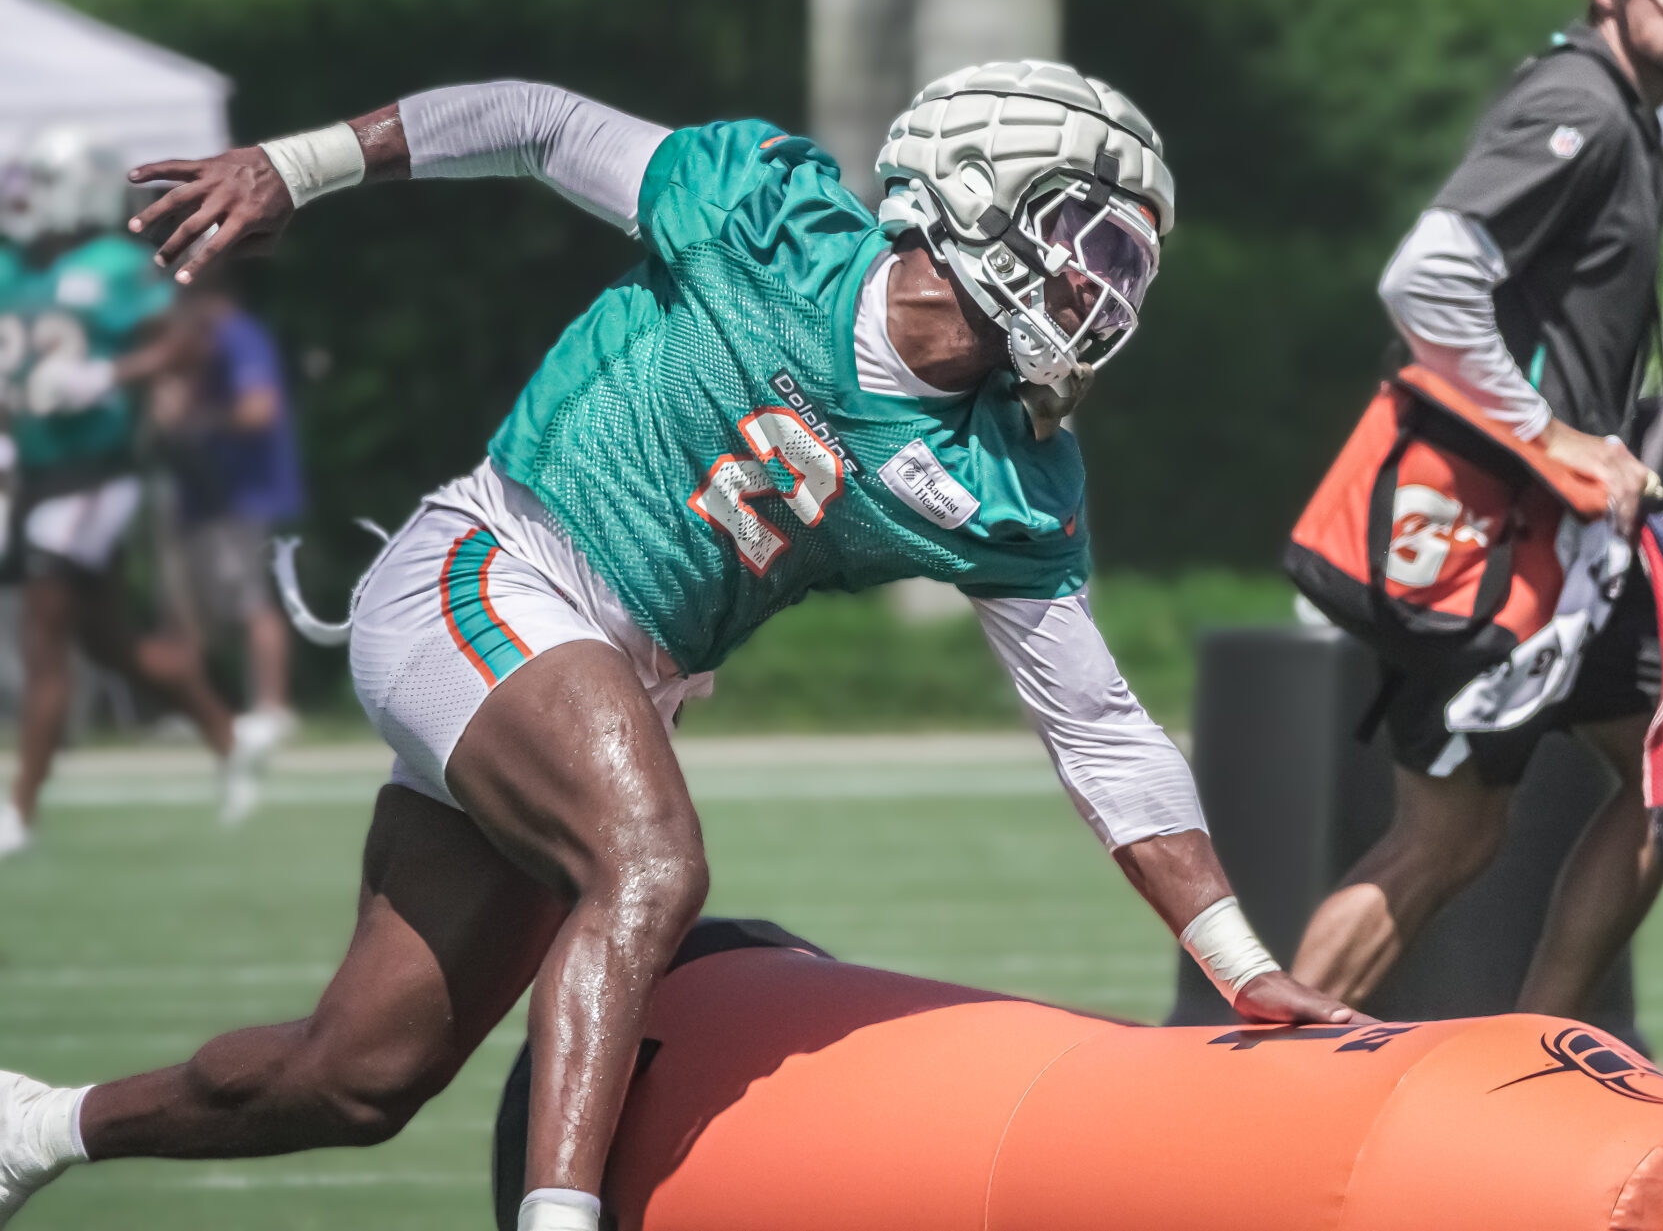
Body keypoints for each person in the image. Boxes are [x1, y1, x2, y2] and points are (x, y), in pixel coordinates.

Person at [0, 67, 1357, 1231]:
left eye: (1122, 262)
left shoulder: (1006, 475)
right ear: (966, 188)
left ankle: (43, 1126)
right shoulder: (764, 213)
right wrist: (298, 166)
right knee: (651, 862)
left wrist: (1241, 962)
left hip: (612, 679)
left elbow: (1101, 726)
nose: (1097, 285)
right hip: (491, 563)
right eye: (1081, 236)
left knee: (357, 1075)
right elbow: (532, 121)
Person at [1289, 0, 1663, 1018]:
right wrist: (1554, 438)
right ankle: (1259, 1088)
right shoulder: (1579, 108)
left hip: (1562, 547)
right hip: (1488, 544)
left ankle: (1535, 1044)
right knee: (1447, 835)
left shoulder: (1627, 116)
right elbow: (1424, 279)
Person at [0, 126, 242, 858]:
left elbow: (189, 338)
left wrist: (108, 376)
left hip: (94, 474)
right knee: (112, 645)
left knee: (43, 633)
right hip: (34, 472)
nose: (22, 198)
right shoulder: (18, 267)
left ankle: (20, 810)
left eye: (37, 184)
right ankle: (227, 738)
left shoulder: (114, 266)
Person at [154, 273, 305, 748]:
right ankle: (199, 710)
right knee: (187, 606)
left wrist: (198, 418)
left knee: (250, 601)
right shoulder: (195, 345)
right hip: (203, 492)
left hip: (243, 494)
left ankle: (273, 708)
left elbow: (260, 409)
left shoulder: (239, 337)